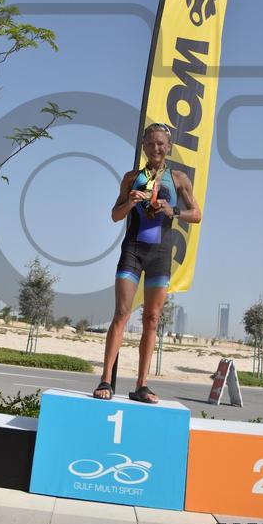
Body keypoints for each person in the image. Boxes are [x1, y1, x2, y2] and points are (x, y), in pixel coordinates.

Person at [93, 122, 201, 403]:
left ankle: (142, 385)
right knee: (121, 313)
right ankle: (105, 379)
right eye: (151, 143)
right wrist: (130, 202)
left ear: (169, 147)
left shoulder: (179, 179)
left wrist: (173, 210)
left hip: (160, 254)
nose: (156, 148)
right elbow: (115, 215)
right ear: (143, 146)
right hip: (133, 250)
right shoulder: (131, 178)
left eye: (161, 144)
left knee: (152, 319)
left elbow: (196, 214)